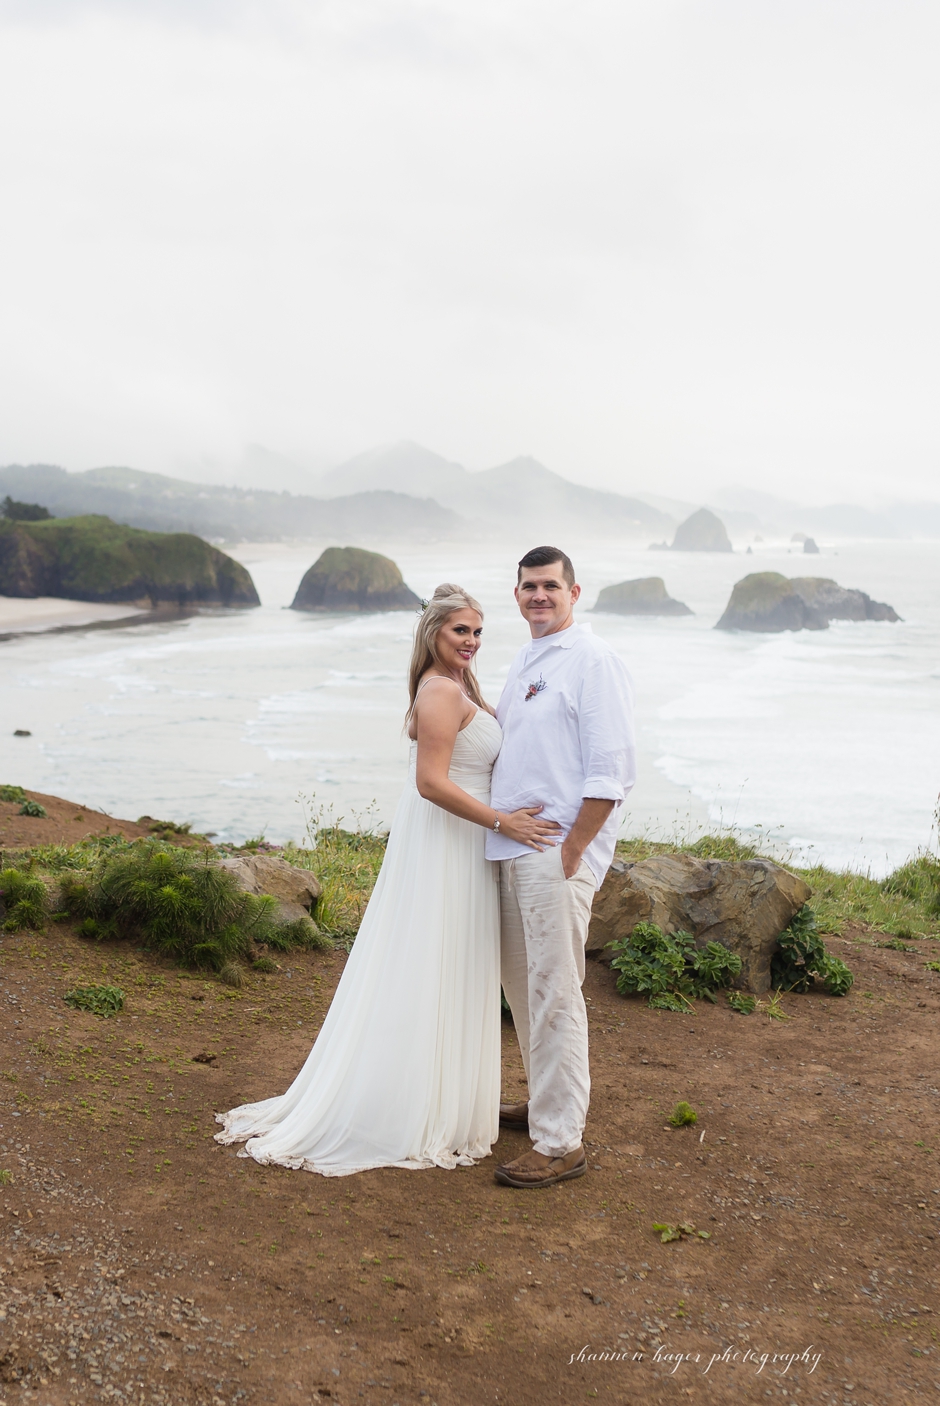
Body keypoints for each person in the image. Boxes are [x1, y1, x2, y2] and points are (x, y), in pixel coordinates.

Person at [215, 584, 559, 1177]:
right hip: (450, 840)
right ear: (434, 634)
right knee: (433, 963)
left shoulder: (458, 685)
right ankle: (415, 1106)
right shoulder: (440, 690)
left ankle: (443, 1097)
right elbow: (431, 781)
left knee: (453, 964)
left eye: (478, 632)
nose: (472, 641)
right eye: (461, 631)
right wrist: (504, 820)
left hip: (463, 841)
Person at [486, 546, 636, 1189]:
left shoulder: (593, 661)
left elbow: (612, 769)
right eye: (528, 587)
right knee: (524, 990)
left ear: (576, 592)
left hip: (553, 855)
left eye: (550, 586)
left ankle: (560, 1142)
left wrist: (573, 850)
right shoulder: (526, 660)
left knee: (554, 991)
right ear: (515, 594)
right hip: (512, 849)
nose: (538, 596)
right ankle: (546, 1103)